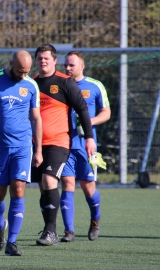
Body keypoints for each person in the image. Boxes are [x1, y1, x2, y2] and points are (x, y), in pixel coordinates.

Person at [32, 44, 96, 246]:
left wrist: (89, 137)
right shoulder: (31, 84)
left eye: (47, 58)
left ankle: (51, 232)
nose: (43, 61)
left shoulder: (65, 82)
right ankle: (49, 228)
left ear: (54, 60)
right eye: (40, 58)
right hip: (36, 146)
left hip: (59, 142)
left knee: (50, 181)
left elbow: (83, 110)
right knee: (43, 188)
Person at [0, 50, 43, 256]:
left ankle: (12, 242)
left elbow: (36, 119)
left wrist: (38, 149)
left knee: (18, 190)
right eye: (19, 71)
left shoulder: (31, 85)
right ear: (10, 64)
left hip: (22, 147)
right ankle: (0, 224)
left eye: (26, 72)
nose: (23, 75)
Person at [60, 51, 111, 243]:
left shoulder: (95, 86)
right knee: (67, 184)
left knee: (88, 188)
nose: (67, 68)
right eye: (66, 65)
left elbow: (106, 112)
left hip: (86, 146)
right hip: (64, 144)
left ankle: (95, 220)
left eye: (71, 65)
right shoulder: (61, 85)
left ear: (82, 66)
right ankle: (68, 231)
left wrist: (90, 121)